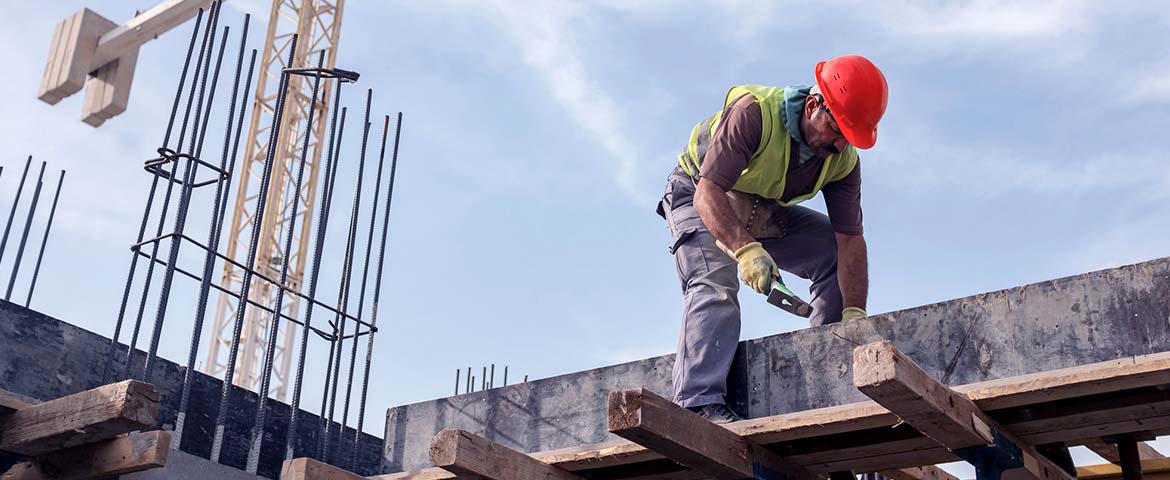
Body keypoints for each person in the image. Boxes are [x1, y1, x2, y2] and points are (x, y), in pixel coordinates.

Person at [657, 55, 889, 424]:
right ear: (812, 106)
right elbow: (708, 193)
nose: (840, 145)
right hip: (697, 193)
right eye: (837, 130)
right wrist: (746, 250)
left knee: (830, 251)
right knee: (714, 284)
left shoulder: (842, 162)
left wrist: (854, 314)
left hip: (757, 207)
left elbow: (849, 240)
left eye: (849, 138)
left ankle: (831, 372)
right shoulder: (754, 114)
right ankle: (699, 404)